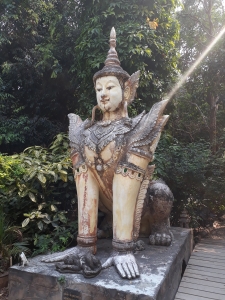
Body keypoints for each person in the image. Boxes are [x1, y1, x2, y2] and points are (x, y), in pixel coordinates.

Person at [43, 28, 173, 279]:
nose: (102, 93)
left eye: (110, 87)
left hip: (141, 206)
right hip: (111, 206)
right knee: (87, 179)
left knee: (161, 191)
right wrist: (84, 246)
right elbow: (87, 189)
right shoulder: (84, 132)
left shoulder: (136, 129)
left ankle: (157, 226)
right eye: (99, 88)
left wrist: (122, 248)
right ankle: (88, 241)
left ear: (127, 90)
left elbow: (127, 182)